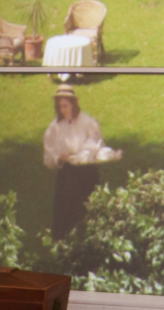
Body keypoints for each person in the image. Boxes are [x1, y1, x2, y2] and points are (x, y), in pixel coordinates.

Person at [43, 86, 121, 236]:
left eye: (65, 106)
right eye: (60, 107)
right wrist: (59, 158)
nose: (63, 110)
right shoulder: (54, 128)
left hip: (87, 174)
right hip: (67, 176)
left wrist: (84, 154)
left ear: (74, 104)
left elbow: (98, 147)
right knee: (66, 215)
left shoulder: (88, 123)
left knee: (88, 211)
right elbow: (48, 156)